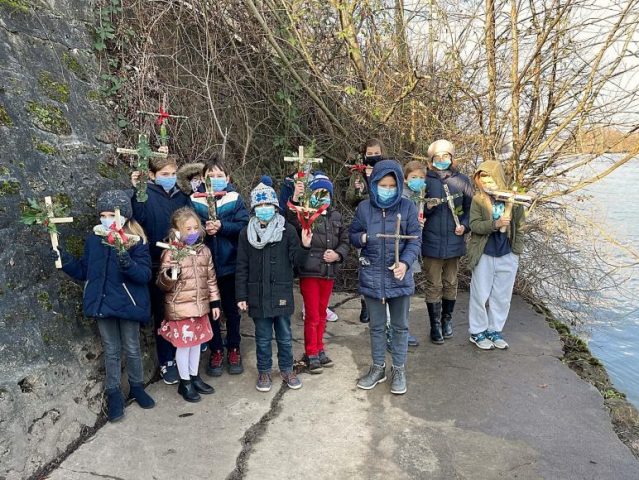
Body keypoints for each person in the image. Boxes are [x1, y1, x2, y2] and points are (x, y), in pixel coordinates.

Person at [56, 190, 155, 422]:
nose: (107, 218)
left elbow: (144, 275)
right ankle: (113, 392)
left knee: (132, 347)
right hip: (102, 302)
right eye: (103, 214)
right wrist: (65, 260)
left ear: (124, 216)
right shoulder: (95, 239)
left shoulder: (136, 241)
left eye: (112, 214)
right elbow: (85, 270)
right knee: (111, 350)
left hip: (128, 303)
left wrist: (128, 263)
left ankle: (137, 386)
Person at [350, 160, 421, 395]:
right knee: (376, 327)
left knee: (400, 327)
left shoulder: (408, 208)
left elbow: (414, 240)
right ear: (375, 183)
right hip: (372, 275)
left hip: (398, 278)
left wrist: (406, 263)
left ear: (399, 184)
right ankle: (378, 367)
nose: (388, 189)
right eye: (383, 184)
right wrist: (363, 239)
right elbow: (353, 234)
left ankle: (398, 369)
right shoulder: (364, 208)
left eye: (392, 185)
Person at [235, 176, 312, 392]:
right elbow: (241, 267)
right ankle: (264, 371)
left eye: (268, 204)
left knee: (285, 337)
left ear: (275, 206)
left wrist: (306, 246)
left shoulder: (286, 230)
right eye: (260, 205)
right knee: (262, 338)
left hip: (281, 293)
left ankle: (287, 369)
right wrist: (241, 296)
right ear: (254, 208)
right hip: (257, 295)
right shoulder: (245, 234)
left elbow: (297, 261)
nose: (264, 208)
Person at [178, 156, 250, 376]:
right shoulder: (195, 200)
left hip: (230, 264)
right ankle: (216, 349)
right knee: (211, 311)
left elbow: (245, 227)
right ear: (203, 178)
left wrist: (222, 226)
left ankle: (234, 347)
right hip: (204, 267)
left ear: (227, 177)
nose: (215, 179)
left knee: (232, 309)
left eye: (220, 176)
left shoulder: (234, 198)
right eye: (211, 176)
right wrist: (203, 233)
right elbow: (188, 230)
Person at [131, 155, 192, 385]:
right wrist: (138, 192)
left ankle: (185, 354)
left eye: (172, 174)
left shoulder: (182, 197)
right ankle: (167, 360)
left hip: (181, 260)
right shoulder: (145, 196)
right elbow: (139, 220)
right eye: (164, 174)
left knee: (181, 308)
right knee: (163, 313)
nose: (169, 178)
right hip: (157, 264)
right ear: (153, 176)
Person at [286, 173, 349, 373]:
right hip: (310, 272)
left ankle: (320, 347)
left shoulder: (336, 216)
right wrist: (295, 198)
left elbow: (345, 241)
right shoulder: (306, 214)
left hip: (328, 272)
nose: (322, 197)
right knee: (312, 314)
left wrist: (338, 255)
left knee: (322, 313)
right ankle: (311, 351)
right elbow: (290, 218)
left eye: (326, 193)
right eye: (318, 193)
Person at [156, 207, 221, 402]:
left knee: (197, 343)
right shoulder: (171, 253)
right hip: (181, 308)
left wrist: (215, 302)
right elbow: (162, 283)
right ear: (177, 231)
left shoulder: (204, 251)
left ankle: (194, 376)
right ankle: (184, 382)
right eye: (187, 229)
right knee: (184, 347)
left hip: (200, 307)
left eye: (195, 228)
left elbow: (211, 279)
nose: (192, 232)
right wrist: (172, 272)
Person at [467, 160, 526, 350]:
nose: (486, 183)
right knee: (480, 294)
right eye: (482, 179)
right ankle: (477, 332)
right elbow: (474, 225)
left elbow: (520, 227)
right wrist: (495, 224)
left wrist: (516, 252)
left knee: (502, 296)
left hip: (507, 253)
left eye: (490, 179)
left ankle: (494, 330)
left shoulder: (513, 200)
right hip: (484, 252)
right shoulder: (478, 200)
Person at [422, 140, 473, 344]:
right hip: (431, 240)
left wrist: (465, 225)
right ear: (431, 160)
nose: (441, 160)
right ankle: (434, 325)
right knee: (433, 283)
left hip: (454, 240)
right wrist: (428, 208)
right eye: (437, 157)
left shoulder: (463, 180)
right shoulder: (424, 180)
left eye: (446, 156)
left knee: (451, 282)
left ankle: (446, 321)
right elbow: (415, 210)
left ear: (452, 158)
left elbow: (471, 209)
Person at [346, 138, 386, 324]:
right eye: (369, 154)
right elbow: (350, 199)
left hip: (385, 224)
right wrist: (357, 190)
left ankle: (382, 302)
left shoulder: (388, 171)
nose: (373, 157)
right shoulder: (358, 173)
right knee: (365, 264)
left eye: (376, 153)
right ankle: (365, 303)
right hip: (365, 224)